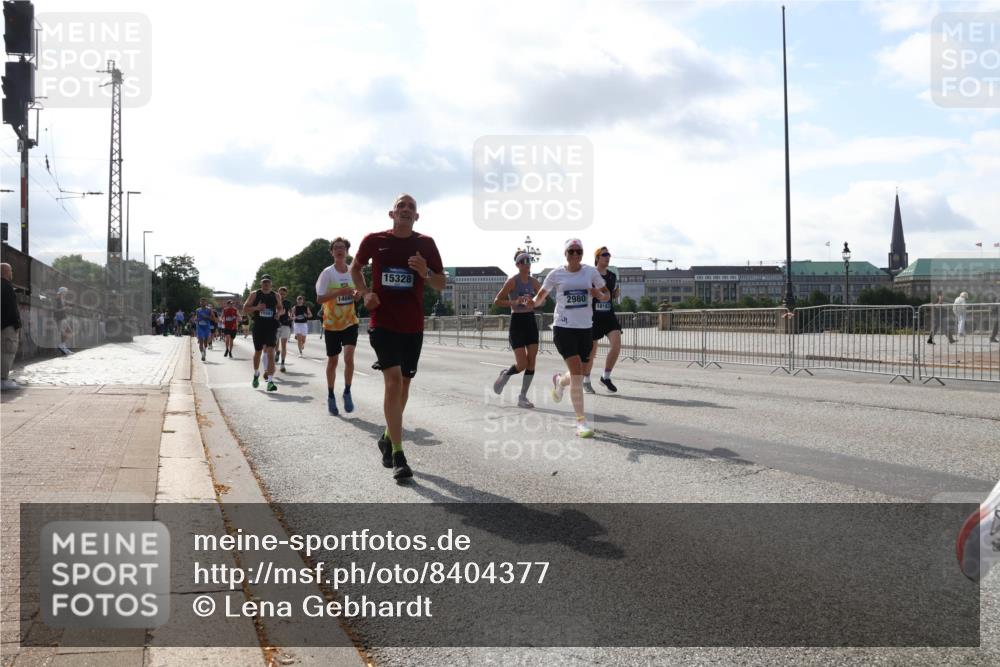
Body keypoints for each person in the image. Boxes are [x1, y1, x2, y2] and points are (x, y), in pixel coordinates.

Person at [350, 194, 445, 479]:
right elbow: (356, 269)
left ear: (417, 217)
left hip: (413, 326)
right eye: (401, 206)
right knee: (392, 382)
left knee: (403, 385)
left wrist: (425, 271)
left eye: (411, 207)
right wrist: (366, 293)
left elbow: (441, 283)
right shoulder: (374, 240)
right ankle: (399, 454)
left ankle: (387, 436)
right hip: (383, 323)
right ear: (392, 214)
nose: (406, 210)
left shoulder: (425, 244)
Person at [531, 239, 610, 438]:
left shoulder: (590, 272)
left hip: (585, 329)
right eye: (571, 251)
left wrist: (598, 294)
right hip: (563, 327)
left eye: (579, 251)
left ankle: (559, 381)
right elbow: (540, 296)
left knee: (580, 373)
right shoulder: (556, 273)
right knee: (577, 373)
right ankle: (581, 422)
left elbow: (607, 294)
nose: (575, 254)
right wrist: (529, 303)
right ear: (565, 253)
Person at [317, 237, 361, 415]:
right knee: (333, 361)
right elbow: (319, 299)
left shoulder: (353, 271)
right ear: (332, 252)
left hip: (350, 322)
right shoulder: (327, 273)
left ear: (347, 251)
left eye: (342, 247)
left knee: (349, 358)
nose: (339, 250)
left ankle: (347, 392)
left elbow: (361, 292)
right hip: (332, 325)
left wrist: (357, 295)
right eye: (336, 248)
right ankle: (330, 395)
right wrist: (339, 292)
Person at [491, 251, 541, 408]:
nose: (527, 262)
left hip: (530, 322)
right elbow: (497, 301)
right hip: (517, 324)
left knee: (532, 361)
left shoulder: (534, 282)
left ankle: (522, 397)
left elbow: (543, 298)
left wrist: (536, 302)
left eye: (529, 260)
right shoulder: (512, 281)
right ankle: (506, 374)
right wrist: (514, 301)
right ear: (518, 265)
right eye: (524, 260)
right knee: (522, 364)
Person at [582, 246, 623, 393]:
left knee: (616, 344)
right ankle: (586, 380)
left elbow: (610, 294)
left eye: (609, 254)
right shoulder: (589, 274)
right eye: (604, 254)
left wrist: (615, 295)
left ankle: (605, 377)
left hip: (609, 316)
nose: (608, 257)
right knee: (591, 353)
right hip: (593, 317)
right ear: (597, 257)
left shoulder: (612, 276)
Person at [244, 275, 283, 391]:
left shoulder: (276, 295)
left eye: (268, 282)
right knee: (258, 352)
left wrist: (278, 313)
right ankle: (256, 373)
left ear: (271, 284)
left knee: (271, 353)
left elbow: (281, 308)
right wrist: (256, 308)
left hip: (271, 326)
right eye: (264, 282)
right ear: (261, 284)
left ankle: (270, 381)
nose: (266, 284)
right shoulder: (254, 294)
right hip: (259, 326)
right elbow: (245, 309)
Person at [1, 263, 22, 391]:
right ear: (6, 272)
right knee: (7, 352)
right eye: (11, 271)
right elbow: (11, 309)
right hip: (7, 326)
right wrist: (16, 324)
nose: (12, 273)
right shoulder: (6, 287)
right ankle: (3, 379)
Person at [276, 286, 293, 372]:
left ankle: (282, 364)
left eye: (283, 293)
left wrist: (290, 316)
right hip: (275, 325)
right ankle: (277, 352)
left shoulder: (287, 302)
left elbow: (290, 311)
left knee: (283, 345)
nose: (282, 295)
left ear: (286, 294)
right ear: (278, 292)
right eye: (280, 293)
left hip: (285, 324)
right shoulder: (274, 300)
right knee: (275, 343)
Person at [54, 286, 72, 355]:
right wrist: (65, 308)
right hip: (59, 318)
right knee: (66, 332)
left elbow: (63, 309)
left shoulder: (63, 299)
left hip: (63, 318)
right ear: (61, 292)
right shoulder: (57, 299)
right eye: (65, 292)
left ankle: (63, 346)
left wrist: (67, 308)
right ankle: (62, 346)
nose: (66, 293)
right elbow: (55, 310)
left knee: (67, 332)